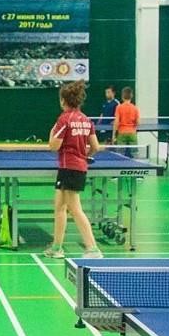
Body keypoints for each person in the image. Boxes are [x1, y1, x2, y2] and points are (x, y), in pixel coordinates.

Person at [43, 80, 103, 259]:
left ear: (63, 100)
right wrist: (84, 155)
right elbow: (95, 147)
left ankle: (93, 248)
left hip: (68, 167)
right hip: (75, 167)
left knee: (75, 209)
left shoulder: (64, 119)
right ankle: (57, 248)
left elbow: (54, 146)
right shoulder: (86, 120)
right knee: (60, 207)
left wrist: (51, 132)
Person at [112, 86, 140, 155]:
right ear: (131, 96)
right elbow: (138, 123)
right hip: (132, 133)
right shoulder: (135, 108)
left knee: (120, 155)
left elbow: (116, 122)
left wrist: (113, 135)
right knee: (135, 154)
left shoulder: (119, 107)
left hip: (122, 133)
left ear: (122, 96)